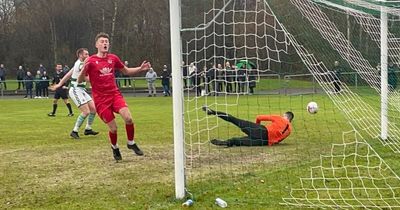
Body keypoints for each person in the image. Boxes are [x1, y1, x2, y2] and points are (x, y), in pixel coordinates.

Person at [78, 32, 151, 160]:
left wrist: (140, 68)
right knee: (113, 128)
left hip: (114, 95)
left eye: (106, 41)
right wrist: (84, 69)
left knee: (128, 118)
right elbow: (80, 80)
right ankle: (115, 147)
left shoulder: (113, 58)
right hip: (101, 100)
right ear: (96, 45)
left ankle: (131, 143)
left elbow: (126, 71)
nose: (105, 43)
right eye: (102, 41)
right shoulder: (91, 60)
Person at [51, 48, 99, 139]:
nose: (88, 56)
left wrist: (59, 84)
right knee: (86, 111)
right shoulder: (81, 65)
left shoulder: (78, 63)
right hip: (75, 90)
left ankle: (88, 129)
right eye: (86, 54)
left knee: (93, 109)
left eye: (88, 54)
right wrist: (100, 77)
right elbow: (87, 79)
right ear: (80, 55)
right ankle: (74, 131)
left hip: (81, 90)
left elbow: (68, 74)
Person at [202, 105, 294, 147]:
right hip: (265, 142)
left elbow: (259, 117)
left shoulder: (279, 118)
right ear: (290, 120)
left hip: (261, 131)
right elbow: (279, 140)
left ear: (285, 116)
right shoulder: (289, 131)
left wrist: (255, 127)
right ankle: (226, 142)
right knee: (238, 141)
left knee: (235, 120)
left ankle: (212, 112)